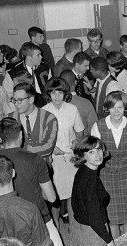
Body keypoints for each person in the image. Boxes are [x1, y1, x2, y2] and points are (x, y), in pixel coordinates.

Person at [0, 117, 66, 246]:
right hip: (39, 217)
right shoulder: (35, 159)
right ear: (21, 135)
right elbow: (51, 197)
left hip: (9, 222)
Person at [91, 91, 127, 237]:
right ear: (107, 108)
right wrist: (94, 182)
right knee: (112, 219)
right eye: (112, 107)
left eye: (120, 107)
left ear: (125, 108)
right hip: (107, 176)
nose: (116, 111)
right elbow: (93, 156)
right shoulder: (98, 126)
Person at [71, 136, 117, 246]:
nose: (97, 155)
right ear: (83, 156)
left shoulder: (83, 172)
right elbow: (94, 215)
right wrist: (109, 240)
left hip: (82, 228)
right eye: (91, 152)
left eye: (98, 149)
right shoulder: (89, 179)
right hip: (93, 230)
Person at [42, 78, 85, 226]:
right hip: (54, 159)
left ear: (64, 93)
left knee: (73, 193)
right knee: (56, 195)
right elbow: (41, 139)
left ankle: (74, 224)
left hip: (71, 157)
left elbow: (80, 132)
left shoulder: (72, 109)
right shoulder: (44, 111)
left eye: (59, 92)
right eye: (53, 93)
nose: (57, 96)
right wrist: (52, 148)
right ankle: (56, 225)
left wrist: (77, 141)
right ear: (49, 94)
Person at [9, 83, 58, 164]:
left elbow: (48, 148)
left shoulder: (49, 118)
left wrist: (19, 149)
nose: (16, 104)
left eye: (20, 100)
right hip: (18, 167)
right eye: (14, 100)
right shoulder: (9, 118)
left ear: (31, 100)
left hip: (42, 168)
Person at [3, 42, 52, 107]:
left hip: (45, 104)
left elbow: (51, 88)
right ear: (29, 57)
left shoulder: (46, 68)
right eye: (38, 55)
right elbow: (8, 95)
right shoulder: (13, 73)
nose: (41, 57)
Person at [59, 70, 98, 134]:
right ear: (75, 82)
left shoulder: (55, 104)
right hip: (83, 141)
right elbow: (94, 128)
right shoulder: (86, 103)